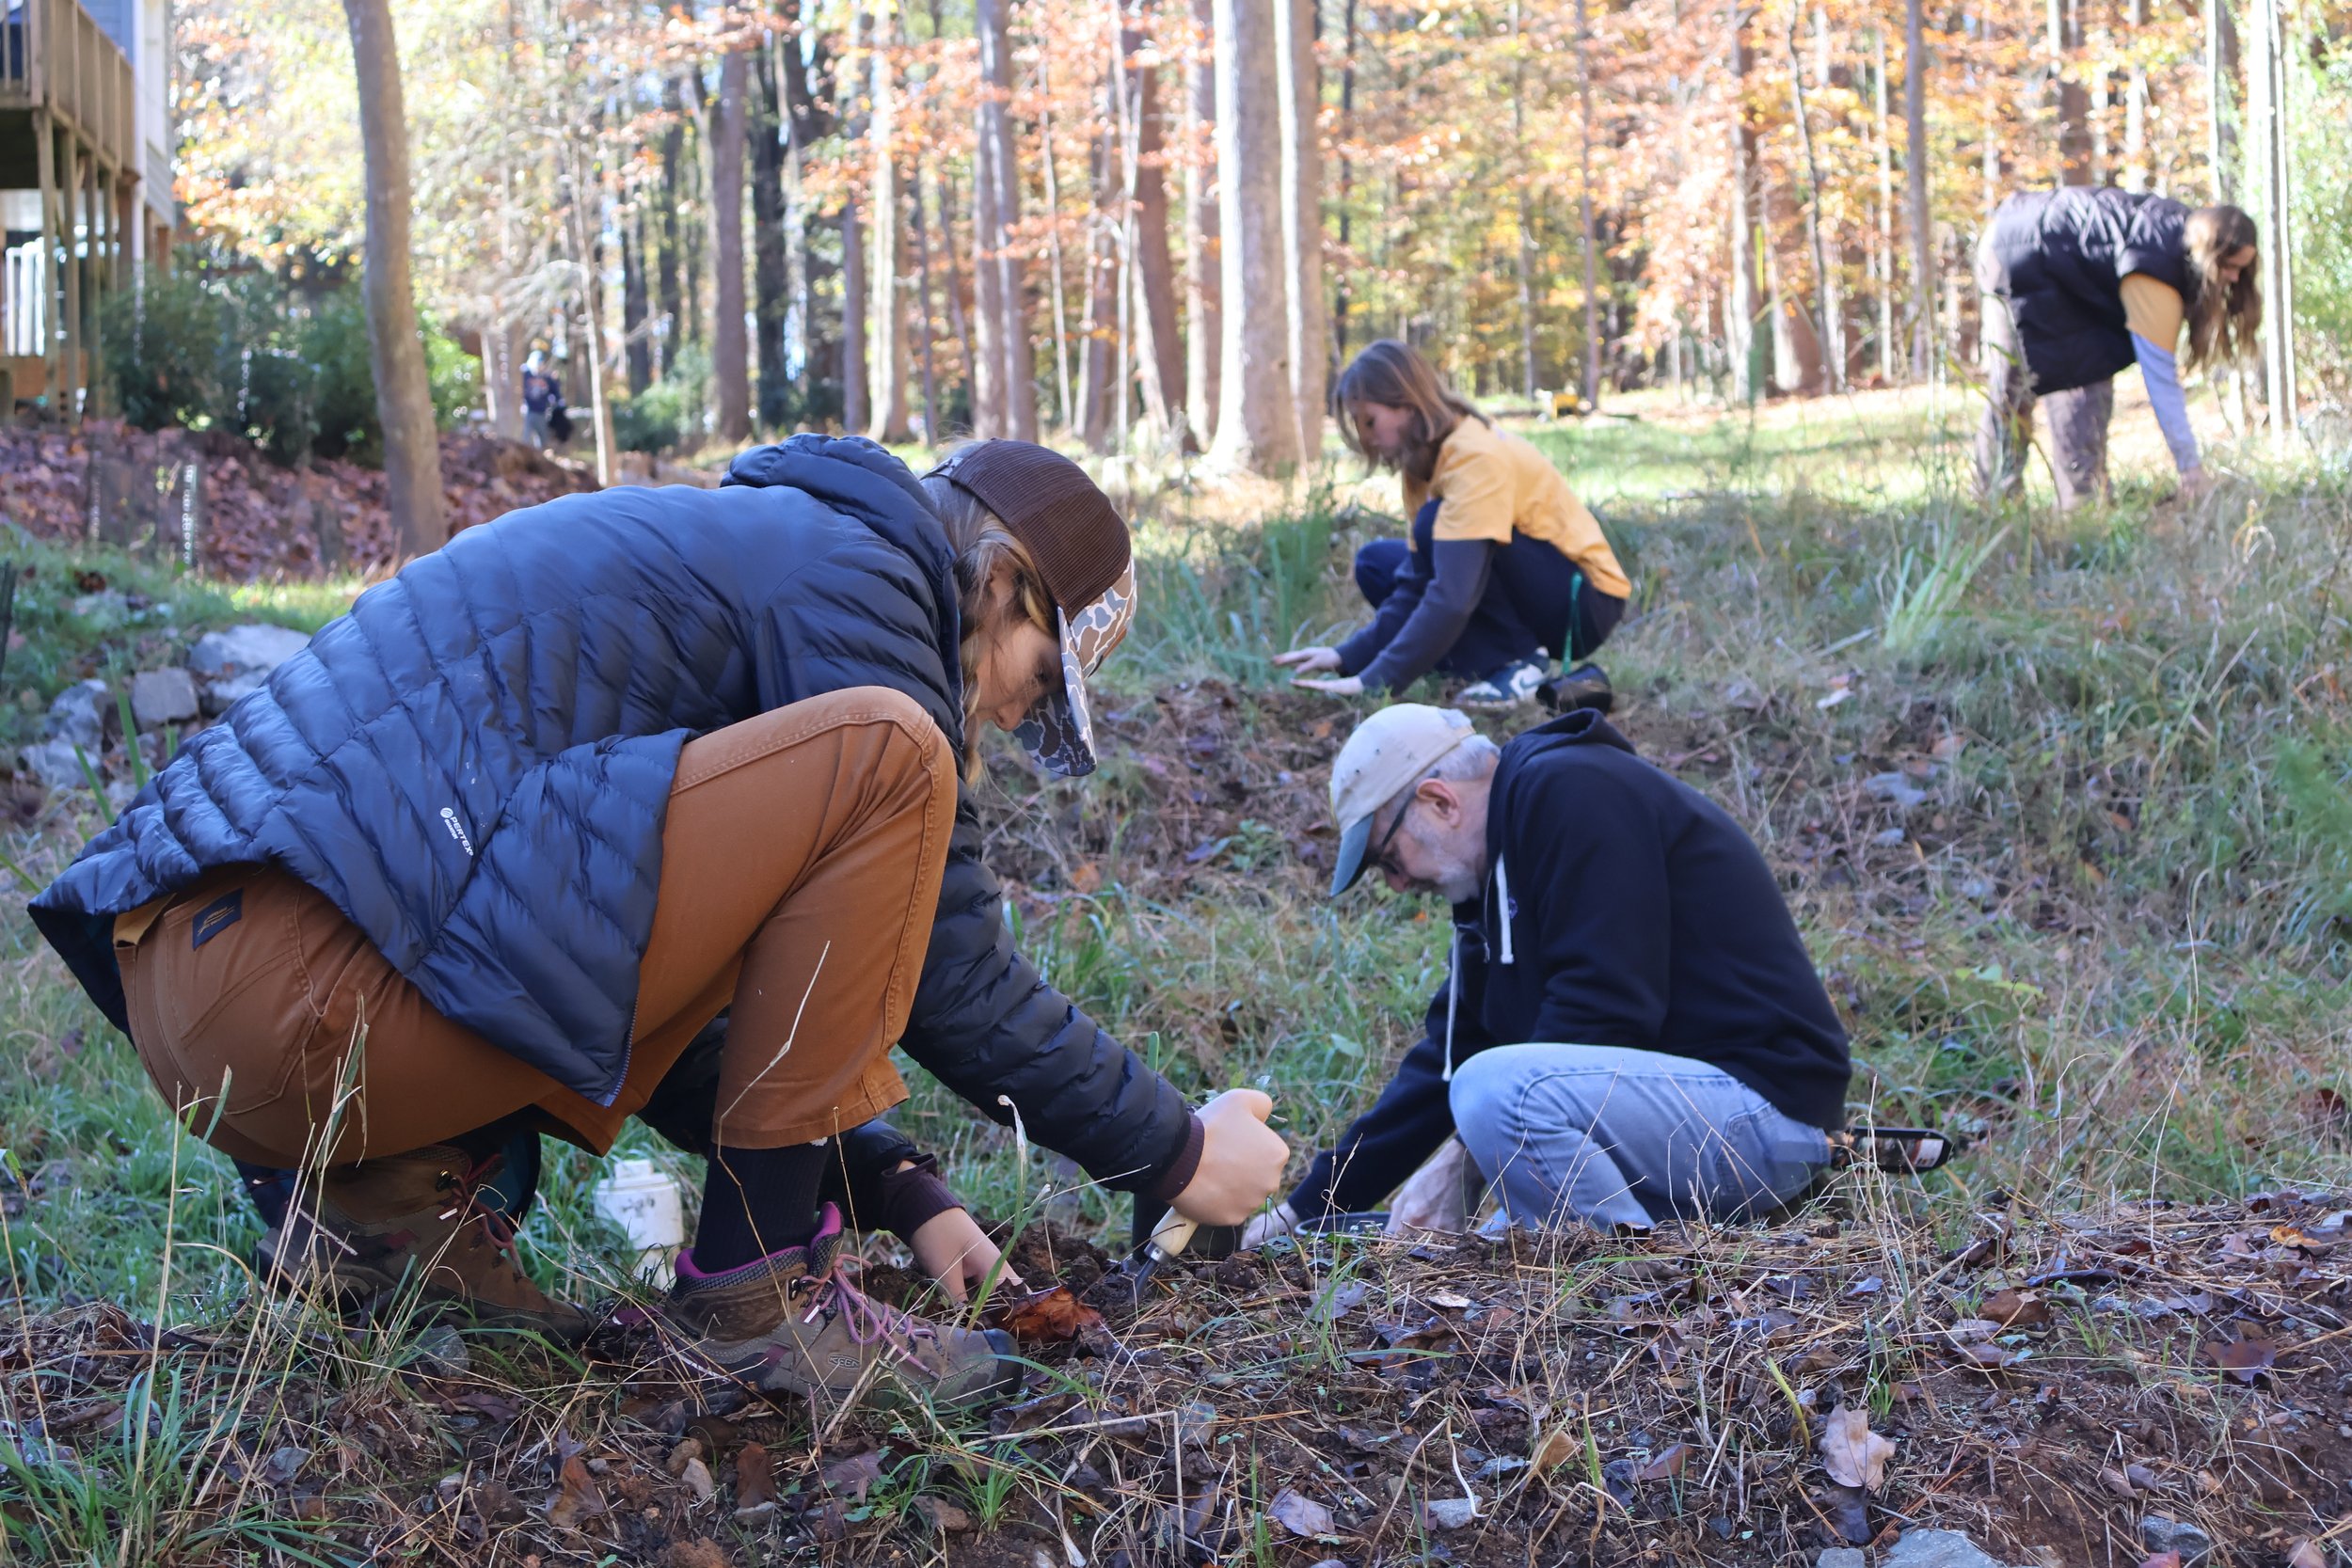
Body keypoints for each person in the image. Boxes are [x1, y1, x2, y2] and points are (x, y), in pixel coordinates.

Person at [30, 436, 1290, 1412]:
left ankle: (380, 1212)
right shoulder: (862, 579)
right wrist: (1174, 1148)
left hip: (211, 997)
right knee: (898, 760)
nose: (1014, 716)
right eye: (1038, 674)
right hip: (310, 987)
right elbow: (949, 971)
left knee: (818, 789)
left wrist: (896, 1181)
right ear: (1000, 581)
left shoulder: (753, 556)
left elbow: (638, 957)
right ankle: (760, 1299)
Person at [1243, 704, 1851, 1243]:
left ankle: (1622, 1293)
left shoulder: (1573, 790)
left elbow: (1608, 1008)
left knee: (1495, 1092)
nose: (1398, 884)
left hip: (1763, 1112)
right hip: (1676, 1126)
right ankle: (1616, 1272)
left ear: (1439, 801)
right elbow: (1444, 1063)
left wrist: (1461, 1160)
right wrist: (1300, 1213)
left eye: (1388, 858)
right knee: (1487, 1231)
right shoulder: (1488, 884)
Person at [1276, 341, 1630, 712]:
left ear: (1406, 404)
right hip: (1533, 592)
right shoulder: (1422, 463)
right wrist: (1347, 657)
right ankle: (1496, 667)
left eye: (1370, 421)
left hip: (1584, 603)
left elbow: (1452, 596)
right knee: (1376, 564)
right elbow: (1417, 584)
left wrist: (1376, 681)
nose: (1367, 438)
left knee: (1436, 528)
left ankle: (1521, 664)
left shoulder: (1474, 456)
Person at [1975, 190, 2260, 511]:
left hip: (2051, 258)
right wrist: (2189, 467)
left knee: (2083, 377)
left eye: (2241, 269)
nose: (2233, 278)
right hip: (2017, 250)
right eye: (2228, 267)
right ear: (2207, 254)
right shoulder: (2155, 270)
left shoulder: (2175, 240)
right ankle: (2001, 505)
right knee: (2025, 386)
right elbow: (2161, 381)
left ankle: (2079, 508)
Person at [520, 348, 567, 449]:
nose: (538, 367)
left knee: (543, 440)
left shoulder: (547, 378)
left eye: (541, 364)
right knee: (525, 439)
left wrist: (559, 404)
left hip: (542, 413)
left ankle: (541, 455)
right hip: (527, 412)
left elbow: (556, 393)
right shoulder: (525, 375)